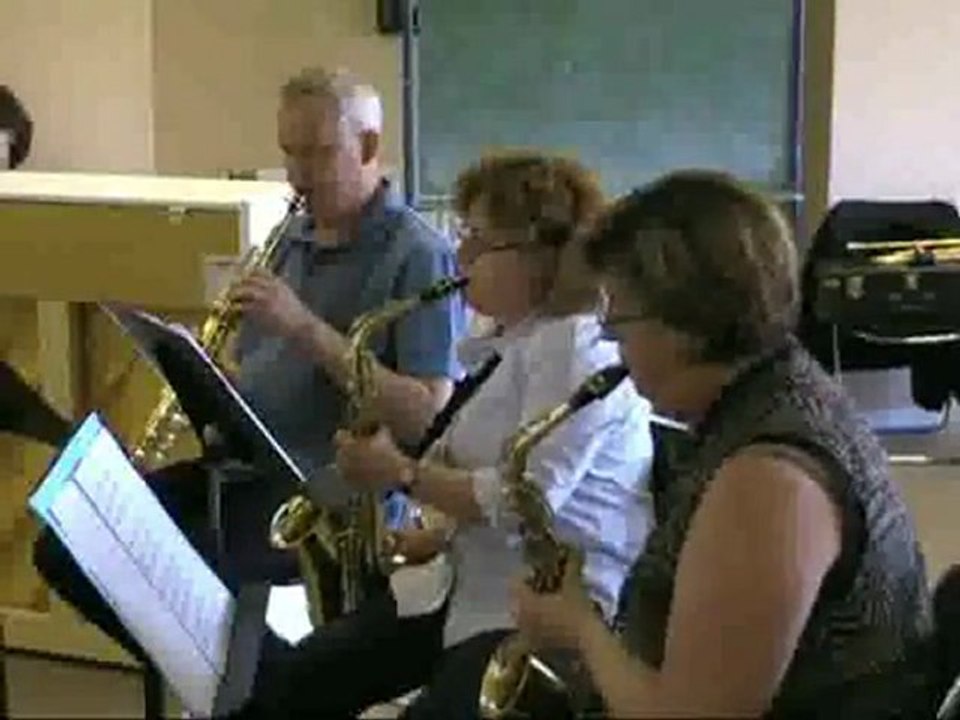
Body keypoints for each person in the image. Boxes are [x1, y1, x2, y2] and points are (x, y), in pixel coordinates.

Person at [32, 65, 466, 689]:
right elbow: (264, 373)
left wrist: (305, 328)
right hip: (243, 473)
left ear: (369, 146)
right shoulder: (290, 237)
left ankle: (264, 689)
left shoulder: (417, 253)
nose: (297, 175)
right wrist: (209, 382)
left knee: (179, 575)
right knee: (69, 546)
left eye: (316, 154)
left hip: (326, 503)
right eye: (289, 153)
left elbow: (429, 414)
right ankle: (249, 685)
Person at [508, 170, 935, 719]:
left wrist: (579, 628)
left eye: (620, 328)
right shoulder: (775, 393)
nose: (618, 354)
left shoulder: (769, 478)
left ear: (683, 320)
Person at [333, 151, 656, 719]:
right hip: (469, 588)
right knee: (305, 677)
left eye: (478, 241)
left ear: (538, 253)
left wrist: (401, 473)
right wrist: (438, 536)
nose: (461, 256)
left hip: (544, 618)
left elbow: (525, 496)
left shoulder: (574, 345)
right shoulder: (511, 337)